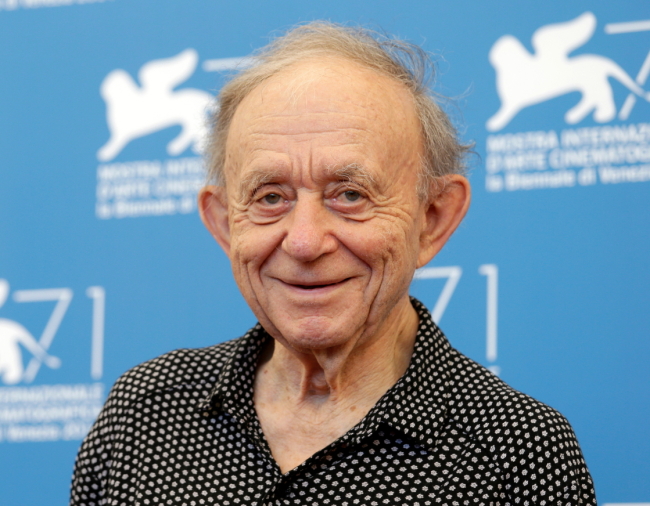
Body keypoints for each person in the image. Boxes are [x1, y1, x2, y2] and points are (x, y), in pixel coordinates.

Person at [70, 22, 596, 505]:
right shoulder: (142, 415)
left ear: (432, 219)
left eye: (349, 194)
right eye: (271, 197)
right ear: (226, 224)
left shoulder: (520, 454)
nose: (303, 242)